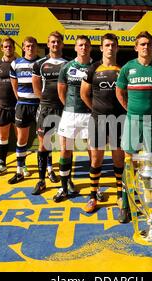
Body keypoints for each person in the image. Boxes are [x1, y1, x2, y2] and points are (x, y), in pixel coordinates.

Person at [116, 31, 152, 222]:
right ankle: (125, 205)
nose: (146, 47)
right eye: (142, 44)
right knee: (129, 162)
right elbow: (119, 92)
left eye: (149, 44)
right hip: (132, 120)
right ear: (136, 47)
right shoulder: (128, 68)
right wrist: (131, 110)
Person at [81, 33, 126, 216]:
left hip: (118, 120)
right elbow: (84, 93)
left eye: (112, 45)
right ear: (101, 48)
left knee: (118, 159)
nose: (109, 48)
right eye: (106, 45)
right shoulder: (93, 69)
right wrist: (96, 110)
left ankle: (119, 194)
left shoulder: (123, 69)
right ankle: (92, 195)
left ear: (117, 48)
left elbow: (126, 94)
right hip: (98, 119)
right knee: (96, 159)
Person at [53, 35, 93, 203]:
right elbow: (61, 90)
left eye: (86, 45)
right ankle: (64, 186)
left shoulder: (95, 67)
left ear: (90, 48)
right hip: (70, 113)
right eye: (80, 45)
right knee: (65, 150)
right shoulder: (67, 67)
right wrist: (69, 107)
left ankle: (93, 189)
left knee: (94, 152)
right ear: (76, 48)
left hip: (89, 114)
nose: (83, 47)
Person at [31, 31, 67, 195]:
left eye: (58, 42)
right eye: (52, 41)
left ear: (62, 44)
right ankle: (41, 180)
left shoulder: (68, 64)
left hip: (63, 109)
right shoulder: (39, 64)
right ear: (48, 44)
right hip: (45, 109)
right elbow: (36, 87)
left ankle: (67, 180)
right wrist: (44, 102)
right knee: (44, 145)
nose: (55, 44)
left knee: (65, 147)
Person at [7, 36, 40, 184]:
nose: (30, 48)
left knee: (44, 139)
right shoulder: (15, 63)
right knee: (22, 139)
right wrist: (20, 99)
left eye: (32, 45)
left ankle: (49, 169)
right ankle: (20, 170)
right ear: (23, 48)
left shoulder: (42, 63)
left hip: (39, 105)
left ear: (36, 47)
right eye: (27, 46)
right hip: (22, 105)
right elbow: (14, 85)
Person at [0, 37, 18, 177]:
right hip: (2, 106)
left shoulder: (19, 64)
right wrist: (0, 98)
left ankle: (21, 166)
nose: (8, 48)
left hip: (19, 106)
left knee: (20, 138)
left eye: (10, 46)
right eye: (6, 46)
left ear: (14, 48)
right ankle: (2, 165)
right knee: (3, 136)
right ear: (2, 48)